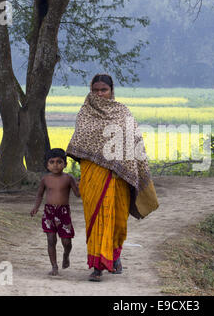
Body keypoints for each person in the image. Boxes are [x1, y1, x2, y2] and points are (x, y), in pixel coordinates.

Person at [66, 73, 159, 282]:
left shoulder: (122, 112)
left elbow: (134, 142)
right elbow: (82, 142)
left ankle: (114, 257)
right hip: (93, 176)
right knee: (96, 218)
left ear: (111, 91)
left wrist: (120, 162)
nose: (99, 94)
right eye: (95, 90)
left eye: (103, 90)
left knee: (116, 221)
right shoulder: (85, 113)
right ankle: (97, 266)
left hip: (118, 178)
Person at [30, 148, 80, 276]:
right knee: (51, 239)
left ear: (65, 164)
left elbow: (78, 194)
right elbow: (40, 195)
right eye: (52, 162)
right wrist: (36, 207)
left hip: (63, 213)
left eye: (59, 162)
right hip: (49, 213)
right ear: (47, 165)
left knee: (66, 242)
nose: (55, 165)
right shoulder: (45, 179)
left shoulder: (68, 178)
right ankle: (54, 266)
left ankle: (66, 255)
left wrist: (82, 184)